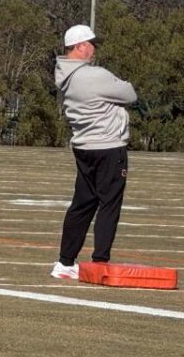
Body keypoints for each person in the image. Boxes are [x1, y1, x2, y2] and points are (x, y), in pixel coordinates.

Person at [50, 24, 137, 280]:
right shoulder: (94, 75)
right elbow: (129, 93)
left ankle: (65, 261)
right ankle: (100, 261)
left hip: (84, 146)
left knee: (82, 204)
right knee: (109, 204)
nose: (94, 49)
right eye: (91, 44)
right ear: (80, 46)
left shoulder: (64, 75)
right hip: (108, 146)